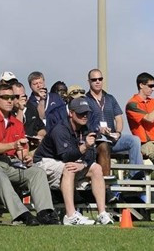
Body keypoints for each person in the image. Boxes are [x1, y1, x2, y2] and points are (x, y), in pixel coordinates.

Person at [0, 83, 59, 226]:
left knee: (37, 172)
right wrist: (12, 145)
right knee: (1, 177)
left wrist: (25, 156)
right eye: (5, 97)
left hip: (8, 162)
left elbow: (21, 150)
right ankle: (22, 215)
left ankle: (45, 213)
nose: (10, 100)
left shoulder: (16, 123)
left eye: (12, 97)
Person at [34, 97, 114, 226]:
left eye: (86, 113)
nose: (84, 116)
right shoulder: (60, 129)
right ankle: (70, 215)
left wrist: (83, 164)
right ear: (71, 113)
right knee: (70, 167)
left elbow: (92, 153)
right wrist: (84, 147)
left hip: (66, 162)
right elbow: (66, 156)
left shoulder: (86, 128)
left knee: (96, 169)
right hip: (45, 163)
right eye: (80, 113)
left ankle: (102, 213)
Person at [85, 69, 143, 179]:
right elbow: (84, 122)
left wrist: (118, 132)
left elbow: (119, 119)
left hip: (112, 138)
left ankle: (135, 176)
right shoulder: (85, 99)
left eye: (100, 79)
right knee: (103, 144)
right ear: (89, 82)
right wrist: (98, 130)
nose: (97, 81)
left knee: (134, 140)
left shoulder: (110, 98)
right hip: (96, 140)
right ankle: (105, 185)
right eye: (94, 79)